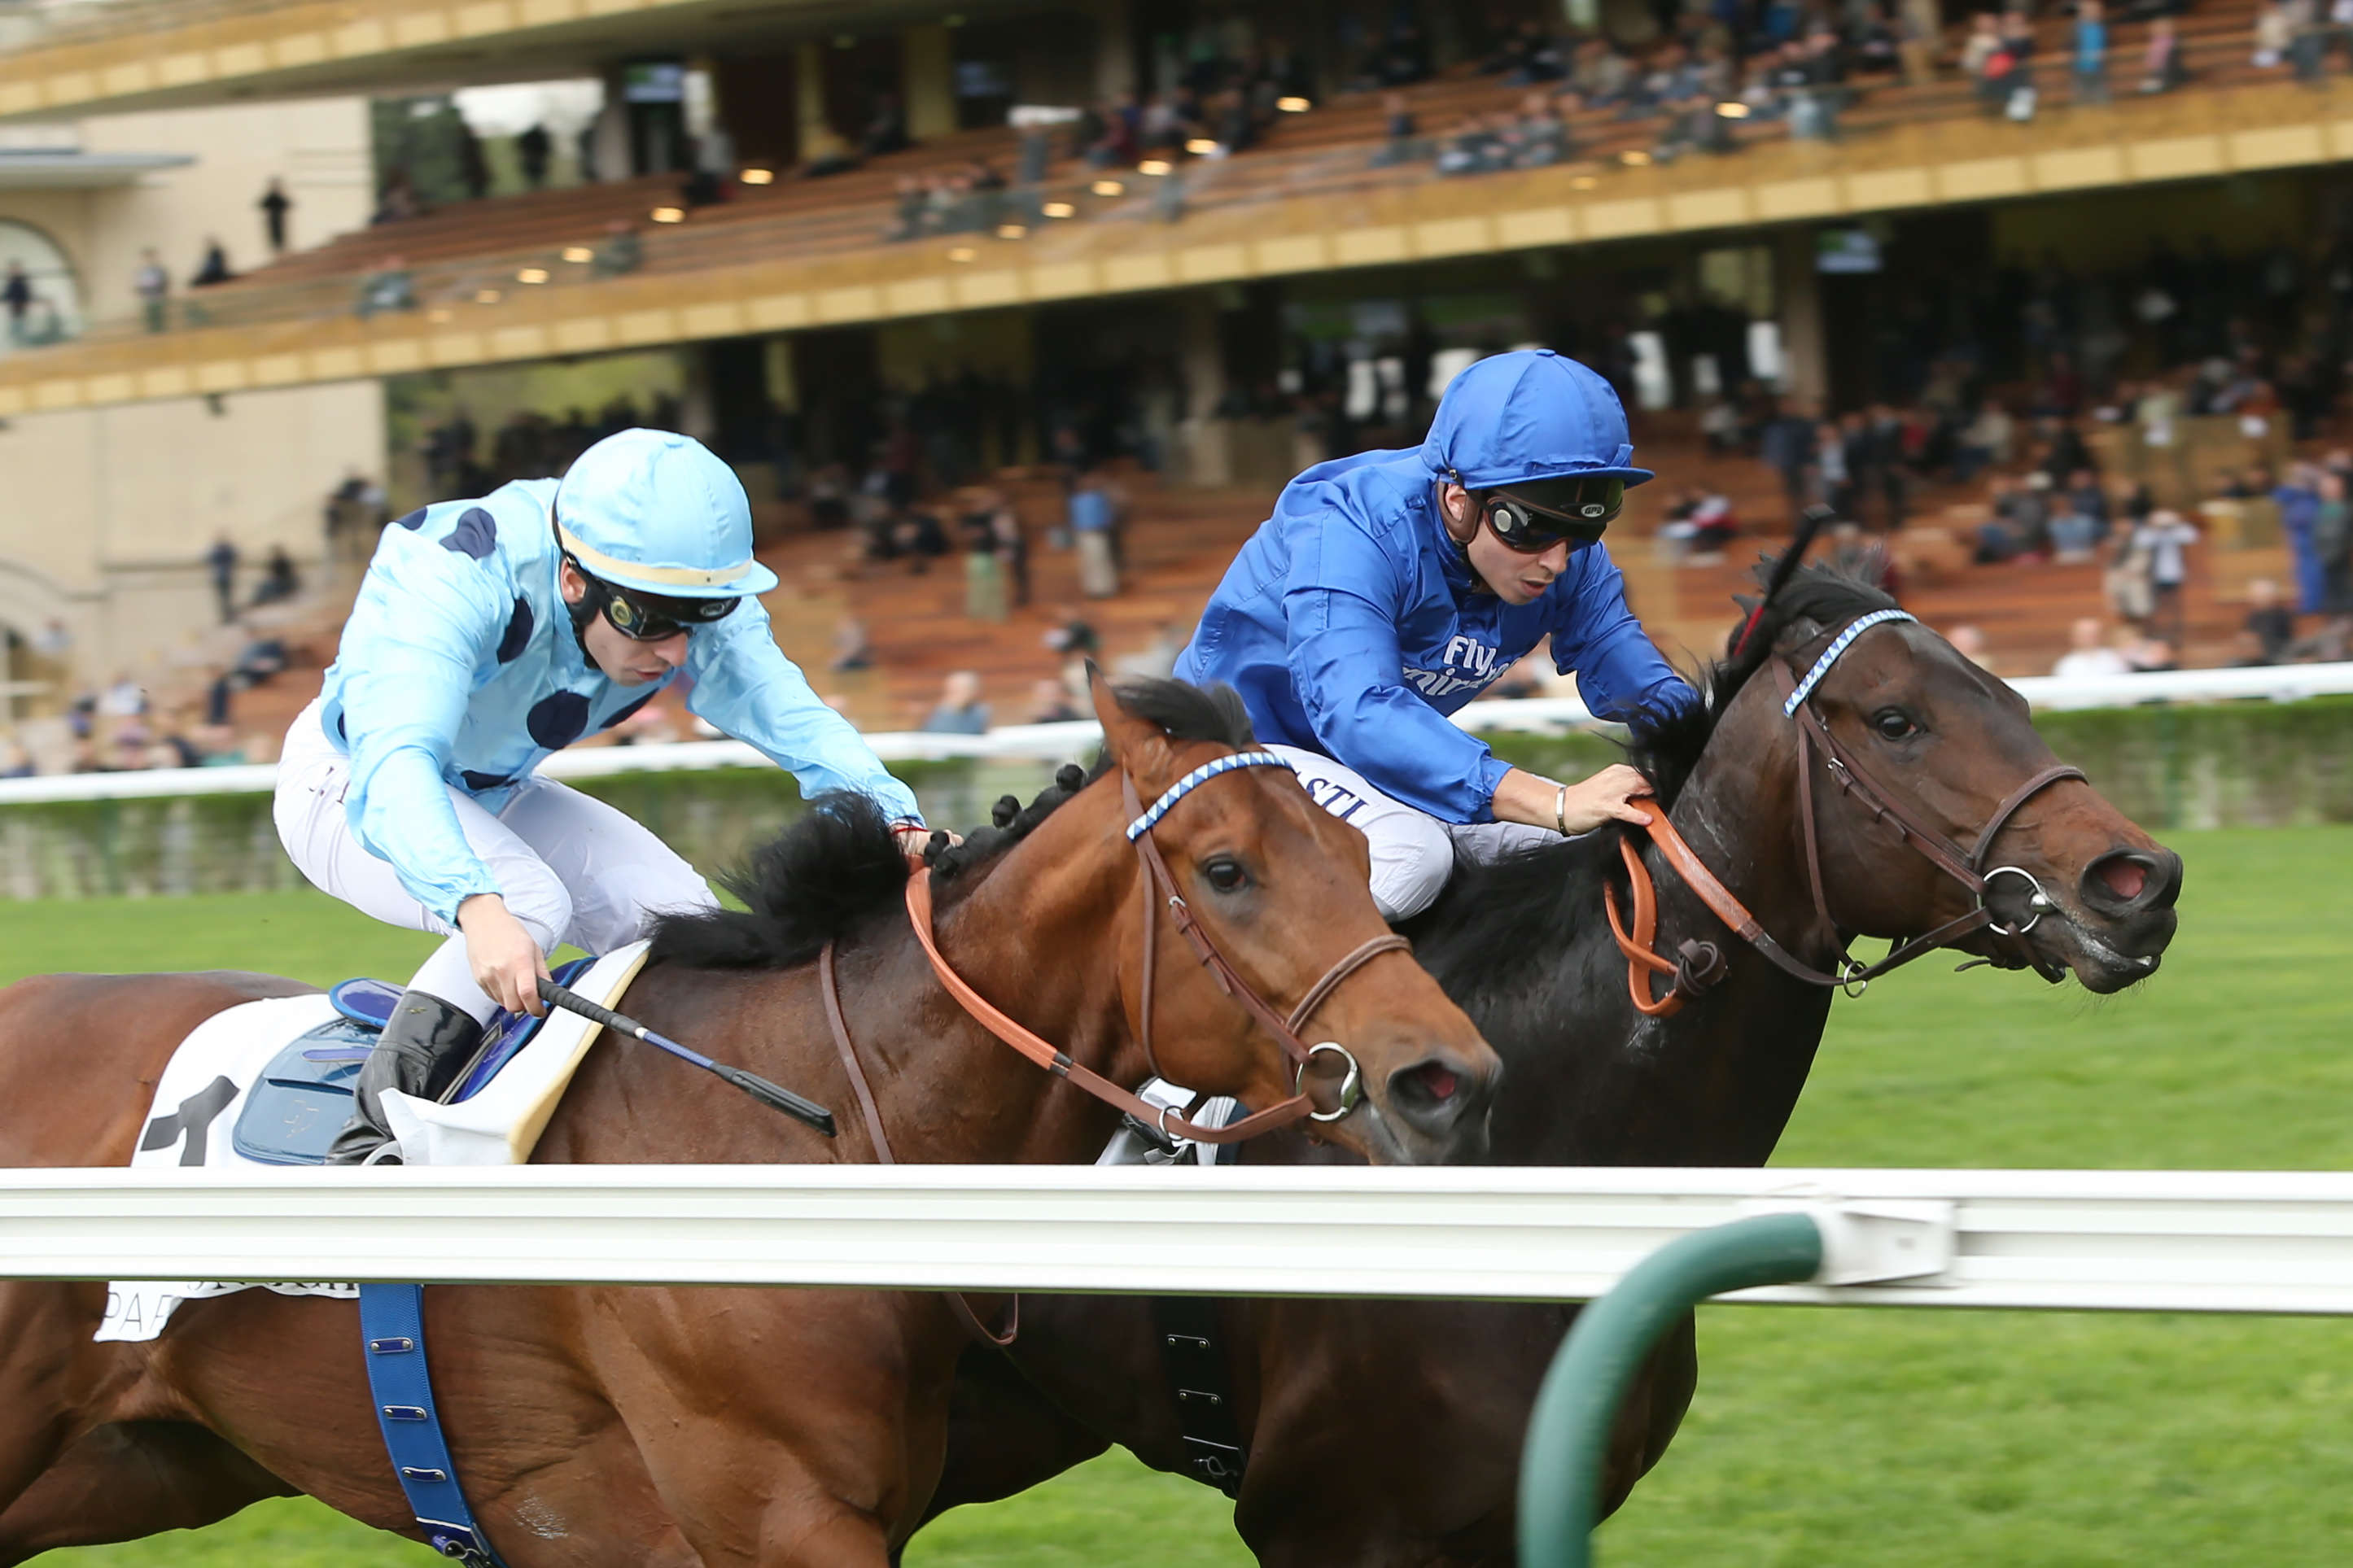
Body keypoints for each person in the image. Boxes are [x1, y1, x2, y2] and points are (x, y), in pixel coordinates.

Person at [273, 429, 928, 1164]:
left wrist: (893, 817)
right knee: (524, 904)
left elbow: (785, 709)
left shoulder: (675, 585)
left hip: (495, 789)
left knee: (687, 926)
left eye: (695, 623)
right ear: (574, 580)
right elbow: (397, 765)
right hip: (351, 784)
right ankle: (370, 1148)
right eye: (649, 622)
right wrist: (474, 906)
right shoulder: (451, 575)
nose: (675, 652)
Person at [1175, 349, 1697, 921]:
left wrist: (1718, 745)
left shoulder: (1567, 561)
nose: (1554, 561)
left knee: (1578, 848)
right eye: (1530, 528)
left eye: (1583, 531)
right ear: (1457, 500)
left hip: (1356, 766)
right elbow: (1357, 710)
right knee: (1413, 856)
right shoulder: (1352, 529)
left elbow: (1641, 682)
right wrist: (1554, 800)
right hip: (1226, 750)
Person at [921, 670, 990, 734]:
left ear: (973, 691)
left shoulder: (980, 711)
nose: (951, 694)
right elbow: (933, 734)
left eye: (958, 689)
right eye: (951, 690)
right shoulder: (938, 711)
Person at [206, 534, 238, 622]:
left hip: (224, 577)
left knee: (226, 598)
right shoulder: (220, 551)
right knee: (223, 599)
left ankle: (228, 616)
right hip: (221, 577)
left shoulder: (225, 551)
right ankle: (226, 616)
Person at [134, 250, 168, 334]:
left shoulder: (160, 271)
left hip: (159, 299)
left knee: (160, 321)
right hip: (148, 300)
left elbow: (164, 284)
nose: (149, 259)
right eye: (147, 257)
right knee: (150, 322)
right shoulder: (142, 272)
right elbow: (139, 287)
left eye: (151, 257)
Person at [259, 177, 292, 254]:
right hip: (273, 219)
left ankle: (281, 251)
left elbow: (287, 204)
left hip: (279, 218)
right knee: (275, 236)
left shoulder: (277, 197)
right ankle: (278, 252)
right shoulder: (271, 197)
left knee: (280, 235)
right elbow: (262, 204)